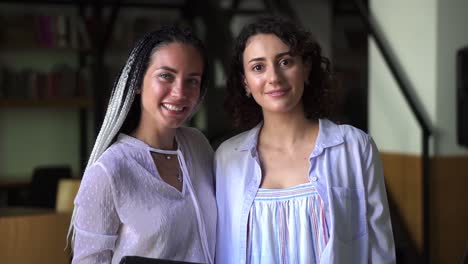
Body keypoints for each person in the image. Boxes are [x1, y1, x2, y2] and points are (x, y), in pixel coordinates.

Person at [215, 17, 395, 263]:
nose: (274, 77)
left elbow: (380, 248)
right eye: (258, 67)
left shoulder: (354, 147)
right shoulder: (227, 157)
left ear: (306, 68)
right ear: (246, 82)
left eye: (285, 61)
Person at [70, 26, 216, 264]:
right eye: (166, 76)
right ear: (138, 82)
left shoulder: (198, 146)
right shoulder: (109, 171)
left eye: (192, 81)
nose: (180, 92)